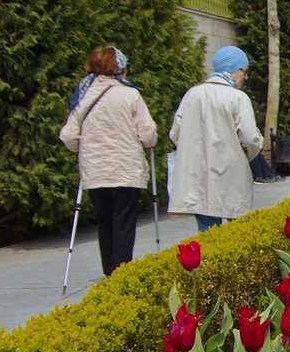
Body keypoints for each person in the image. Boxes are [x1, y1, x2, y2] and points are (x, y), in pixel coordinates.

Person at [60, 45, 157, 276]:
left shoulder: (83, 95)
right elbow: (147, 135)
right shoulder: (130, 94)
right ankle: (121, 275)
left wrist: (84, 149)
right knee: (123, 224)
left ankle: (109, 274)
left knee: (105, 223)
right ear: (120, 68)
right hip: (126, 171)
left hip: (96, 172)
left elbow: (67, 135)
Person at [167, 46, 264, 233]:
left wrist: (194, 150)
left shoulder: (192, 94)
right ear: (235, 69)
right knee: (236, 233)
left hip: (199, 174)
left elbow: (175, 133)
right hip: (232, 172)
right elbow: (251, 138)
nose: (245, 77)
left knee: (207, 233)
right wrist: (245, 156)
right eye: (245, 71)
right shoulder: (237, 98)